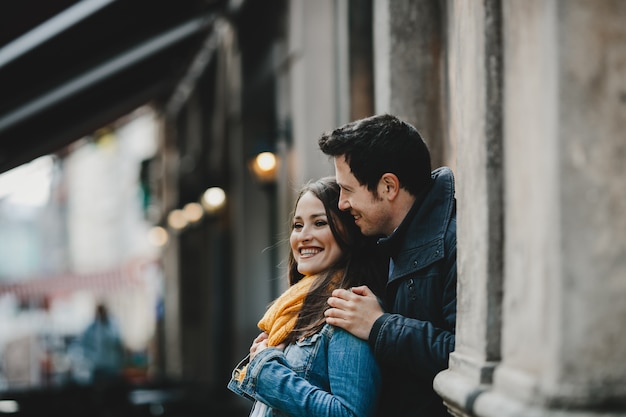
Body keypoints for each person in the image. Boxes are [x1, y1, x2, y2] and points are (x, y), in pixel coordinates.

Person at [319, 114, 456, 417]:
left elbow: (464, 356)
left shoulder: (455, 242)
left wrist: (380, 327)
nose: (342, 203)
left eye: (348, 190)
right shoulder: (379, 241)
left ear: (388, 187)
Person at [228, 177, 386, 417]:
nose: (303, 236)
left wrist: (266, 370)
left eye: (320, 223)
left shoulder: (347, 310)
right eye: (298, 225)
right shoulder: (296, 311)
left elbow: (349, 413)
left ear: (349, 231)